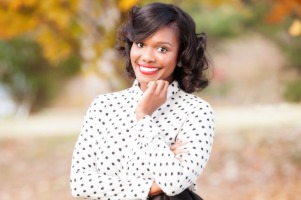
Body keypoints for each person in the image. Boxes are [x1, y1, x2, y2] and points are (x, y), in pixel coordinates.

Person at [70, 2, 214, 200]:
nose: (147, 57)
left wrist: (143, 116)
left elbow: (173, 184)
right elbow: (80, 183)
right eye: (140, 44)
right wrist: (154, 186)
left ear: (181, 55)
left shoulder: (196, 111)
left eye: (162, 49)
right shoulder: (103, 106)